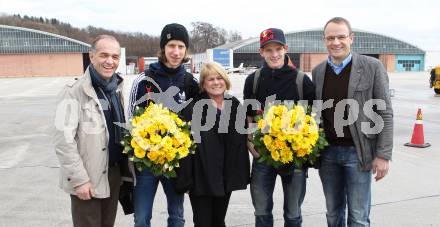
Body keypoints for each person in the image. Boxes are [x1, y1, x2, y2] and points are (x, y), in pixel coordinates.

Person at [312, 17, 393, 227]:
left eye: (341, 37)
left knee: (358, 216)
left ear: (351, 38)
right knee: (333, 214)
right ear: (324, 40)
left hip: (358, 153)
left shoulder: (372, 66)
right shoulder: (318, 72)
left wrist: (383, 155)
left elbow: (385, 113)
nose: (336, 42)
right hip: (328, 154)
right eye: (331, 38)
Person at [128, 23, 199, 227]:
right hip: (147, 162)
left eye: (180, 47)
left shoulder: (190, 81)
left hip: (175, 162)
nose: (176, 52)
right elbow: (131, 120)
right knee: (141, 218)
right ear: (163, 48)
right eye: (171, 46)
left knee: (177, 216)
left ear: (186, 50)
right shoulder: (144, 80)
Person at [243, 28, 315, 227]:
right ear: (261, 52)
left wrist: (305, 149)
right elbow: (248, 116)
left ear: (286, 49)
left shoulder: (301, 81)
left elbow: (315, 119)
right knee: (262, 211)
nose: (274, 54)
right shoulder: (253, 80)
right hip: (263, 157)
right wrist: (251, 145)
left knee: (293, 214)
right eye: (268, 50)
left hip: (295, 159)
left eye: (278, 49)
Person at [54, 35, 127, 227]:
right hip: (87, 176)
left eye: (115, 56)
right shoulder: (73, 92)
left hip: (113, 174)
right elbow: (63, 141)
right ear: (91, 56)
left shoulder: (117, 89)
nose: (110, 61)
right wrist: (79, 180)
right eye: (104, 55)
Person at [183, 62, 250, 227]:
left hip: (225, 175)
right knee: (203, 222)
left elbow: (244, 139)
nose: (215, 82)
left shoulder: (234, 105)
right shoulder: (193, 107)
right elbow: (185, 145)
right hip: (201, 177)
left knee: (219, 221)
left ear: (225, 80)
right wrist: (186, 179)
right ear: (204, 84)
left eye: (219, 78)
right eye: (210, 79)